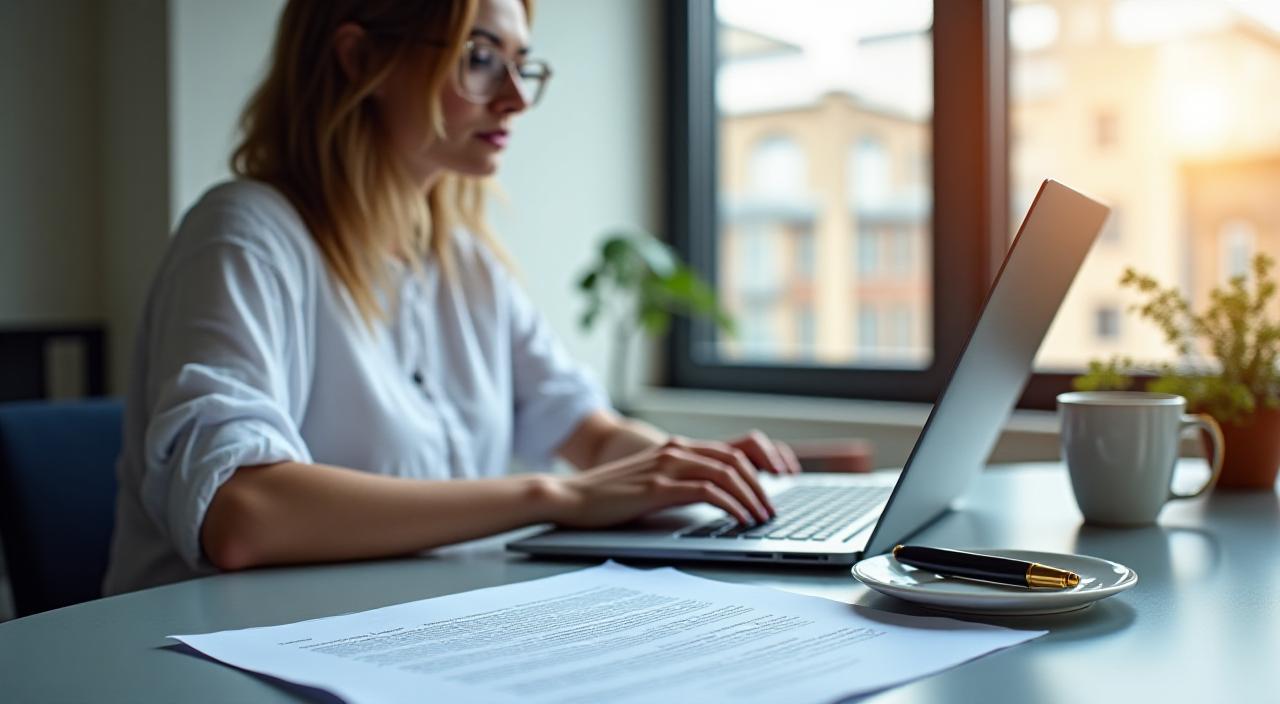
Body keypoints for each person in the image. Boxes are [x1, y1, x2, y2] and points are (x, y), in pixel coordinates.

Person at [104, 0, 800, 596]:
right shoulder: (246, 235)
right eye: (480, 58)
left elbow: (588, 432)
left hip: (407, 633)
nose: (516, 97)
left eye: (521, 63)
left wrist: (686, 469)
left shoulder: (464, 262)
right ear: (359, 58)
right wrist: (555, 495)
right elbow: (241, 513)